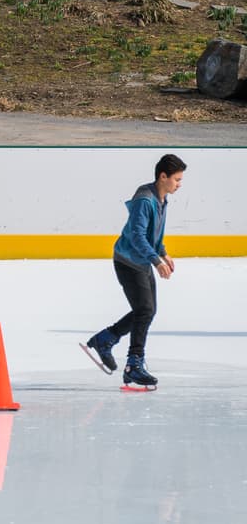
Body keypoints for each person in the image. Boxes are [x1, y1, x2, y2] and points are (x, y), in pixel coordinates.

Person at [83, 154, 187, 389]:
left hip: (141, 261)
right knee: (145, 310)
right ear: (163, 176)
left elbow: (154, 233)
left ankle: (106, 339)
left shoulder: (161, 199)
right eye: (177, 179)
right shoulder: (144, 200)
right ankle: (133, 364)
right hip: (128, 261)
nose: (179, 184)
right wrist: (155, 261)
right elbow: (138, 236)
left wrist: (162, 252)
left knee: (147, 311)